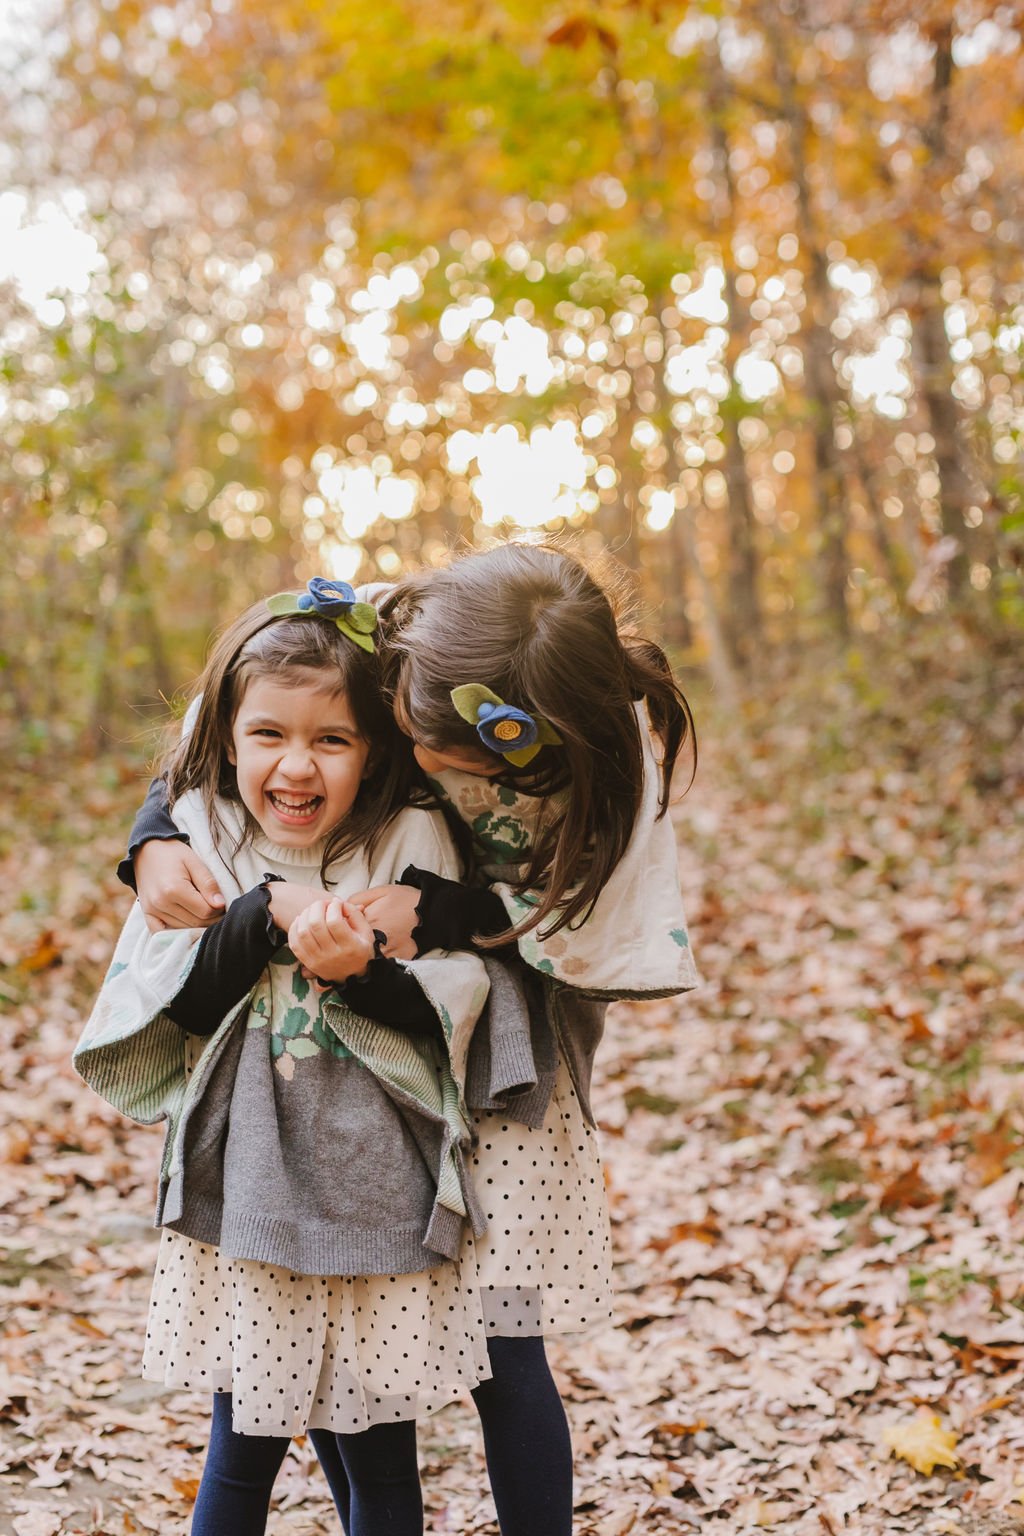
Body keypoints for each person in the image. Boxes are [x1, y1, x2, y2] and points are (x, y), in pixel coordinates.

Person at [120, 543, 699, 1536]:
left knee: (505, 1347)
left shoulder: (611, 767)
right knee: (349, 1312)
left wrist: (431, 915)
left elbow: (572, 929)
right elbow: (217, 738)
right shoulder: (388, 641)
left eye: (458, 754)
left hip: (506, 1059)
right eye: (419, 732)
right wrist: (151, 842)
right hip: (366, 1057)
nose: (427, 759)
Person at [74, 583, 494, 1536]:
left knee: (383, 1457)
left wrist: (362, 974)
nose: (295, 765)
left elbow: (451, 1013)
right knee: (241, 1448)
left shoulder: (408, 839)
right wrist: (265, 910)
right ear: (225, 737)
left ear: (376, 749)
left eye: (332, 740)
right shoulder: (202, 834)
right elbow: (174, 1006)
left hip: (378, 1193)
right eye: (268, 735)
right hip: (252, 1186)